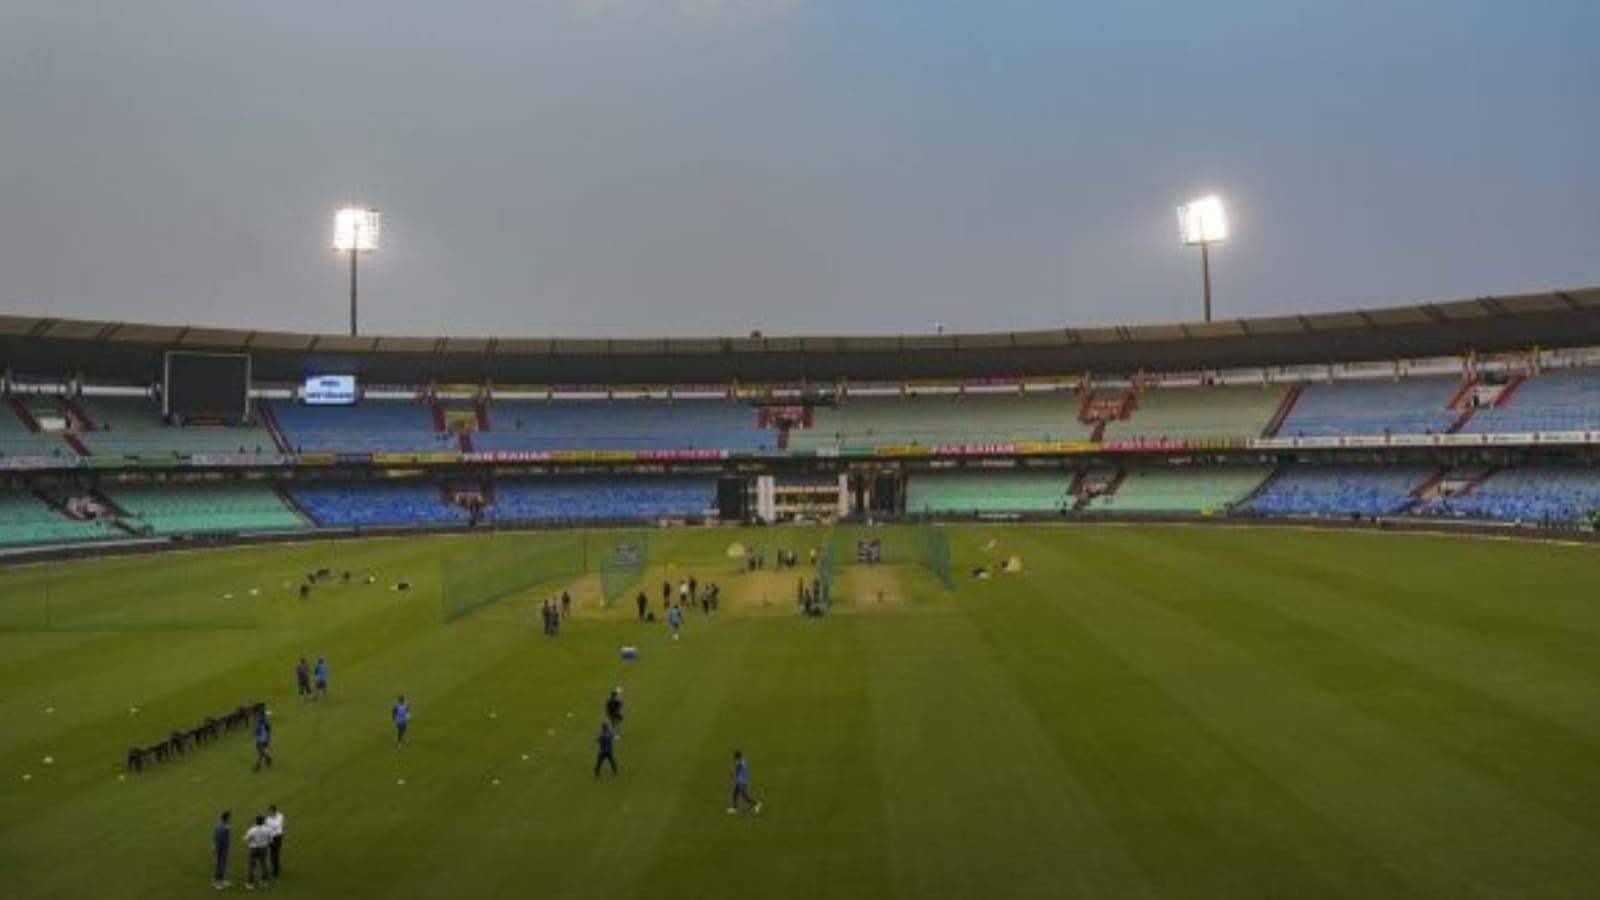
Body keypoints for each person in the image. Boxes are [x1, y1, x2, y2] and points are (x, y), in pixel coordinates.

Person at [728, 749, 762, 815]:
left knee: (744, 796)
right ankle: (734, 808)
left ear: (737, 757)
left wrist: (732, 774)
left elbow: (737, 770)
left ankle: (757, 804)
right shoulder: (742, 761)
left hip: (742, 782)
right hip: (740, 780)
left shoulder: (740, 762)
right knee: (735, 793)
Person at [243, 814, 273, 889]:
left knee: (252, 866)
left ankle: (250, 883)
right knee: (264, 864)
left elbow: (246, 839)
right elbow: (271, 840)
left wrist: (249, 841)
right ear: (263, 821)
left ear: (256, 821)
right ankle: (264, 882)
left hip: (254, 848)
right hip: (264, 848)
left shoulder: (252, 830)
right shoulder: (267, 829)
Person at [212, 810, 232, 890]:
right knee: (221, 865)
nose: (230, 819)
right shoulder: (226, 828)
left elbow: (215, 837)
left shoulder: (218, 826)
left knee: (222, 865)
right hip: (222, 848)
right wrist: (217, 848)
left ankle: (222, 880)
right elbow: (220, 840)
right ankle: (217, 882)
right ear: (226, 819)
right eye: (229, 818)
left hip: (221, 847)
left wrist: (214, 846)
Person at [264, 805, 285, 879]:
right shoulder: (268, 818)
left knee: (275, 854)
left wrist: (270, 827)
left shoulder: (280, 816)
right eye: (269, 811)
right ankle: (275, 869)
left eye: (270, 811)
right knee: (272, 854)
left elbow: (277, 825)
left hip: (277, 837)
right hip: (270, 837)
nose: (269, 812)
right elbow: (267, 827)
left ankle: (276, 871)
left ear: (274, 811)